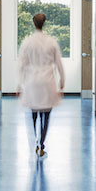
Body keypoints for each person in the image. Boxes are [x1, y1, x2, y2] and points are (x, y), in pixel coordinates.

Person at [17, 13, 65, 158]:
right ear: (44, 23)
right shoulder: (51, 42)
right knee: (46, 115)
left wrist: (19, 84)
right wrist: (62, 81)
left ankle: (36, 141)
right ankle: (42, 142)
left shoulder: (27, 42)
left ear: (33, 23)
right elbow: (58, 63)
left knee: (34, 113)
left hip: (32, 82)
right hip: (48, 82)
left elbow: (22, 65)